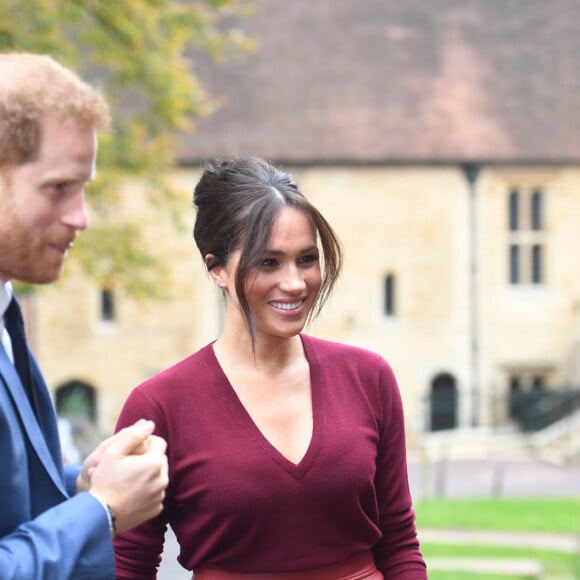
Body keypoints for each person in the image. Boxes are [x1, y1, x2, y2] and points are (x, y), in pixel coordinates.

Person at [113, 156, 427, 579]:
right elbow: (128, 565)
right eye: (269, 262)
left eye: (307, 259)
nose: (295, 282)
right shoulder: (159, 406)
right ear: (217, 269)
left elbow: (398, 540)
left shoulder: (368, 378)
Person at [0, 53, 169, 579]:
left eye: (84, 188)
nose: (81, 217)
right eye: (58, 188)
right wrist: (101, 511)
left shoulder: (7, 309)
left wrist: (82, 481)